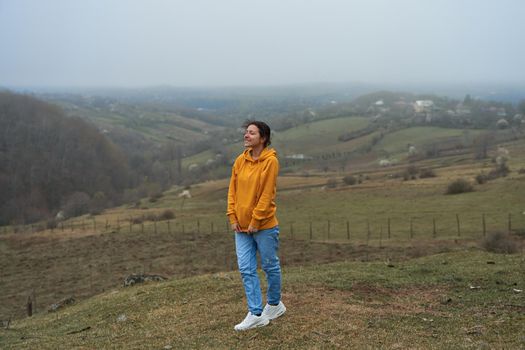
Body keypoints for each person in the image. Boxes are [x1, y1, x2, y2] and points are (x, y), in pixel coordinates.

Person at [227, 120, 286, 331]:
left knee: (270, 265)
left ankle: (274, 304)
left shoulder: (270, 162)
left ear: (263, 138)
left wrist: (255, 221)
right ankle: (255, 313)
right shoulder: (239, 161)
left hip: (265, 226)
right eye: (246, 132)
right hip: (241, 228)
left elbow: (266, 194)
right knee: (246, 269)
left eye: (251, 133)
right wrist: (233, 218)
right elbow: (232, 192)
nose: (246, 135)